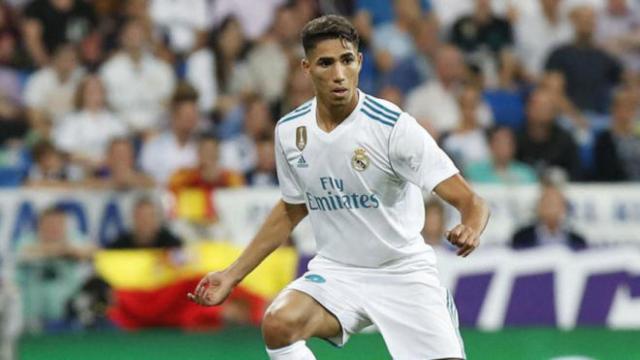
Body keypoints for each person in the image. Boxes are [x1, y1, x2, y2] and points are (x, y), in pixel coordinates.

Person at [188, 15, 490, 359]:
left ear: (359, 61)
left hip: (402, 272)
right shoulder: (290, 132)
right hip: (338, 273)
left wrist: (471, 227)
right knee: (278, 324)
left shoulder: (393, 128)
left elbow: (472, 200)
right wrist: (232, 275)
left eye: (347, 60)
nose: (339, 74)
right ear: (306, 67)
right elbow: (292, 207)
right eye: (326, 63)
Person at [511, 185, 587, 251]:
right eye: (547, 203)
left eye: (555, 204)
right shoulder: (521, 238)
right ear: (538, 208)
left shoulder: (577, 240)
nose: (551, 208)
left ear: (563, 208)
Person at [107, 197, 182, 249]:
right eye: (141, 216)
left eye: (149, 216)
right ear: (133, 218)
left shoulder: (171, 243)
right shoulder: (120, 245)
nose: (145, 221)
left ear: (157, 218)